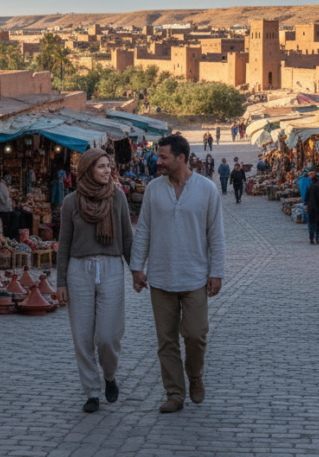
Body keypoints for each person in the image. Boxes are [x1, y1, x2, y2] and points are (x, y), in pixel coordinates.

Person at [131, 134, 226, 413]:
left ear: (181, 158)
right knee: (166, 341)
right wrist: (137, 267)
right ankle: (174, 392)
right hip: (160, 278)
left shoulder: (207, 190)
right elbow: (144, 230)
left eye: (163, 157)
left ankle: (195, 377)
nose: (157, 162)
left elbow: (216, 235)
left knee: (196, 334)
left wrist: (216, 272)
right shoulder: (153, 190)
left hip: (195, 276)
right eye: (158, 157)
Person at [57, 149, 133, 413]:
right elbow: (64, 244)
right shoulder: (70, 202)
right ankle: (91, 391)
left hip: (111, 267)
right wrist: (61, 283)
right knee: (82, 337)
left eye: (108, 166)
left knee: (108, 337)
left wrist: (137, 272)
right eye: (100, 166)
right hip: (79, 270)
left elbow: (126, 239)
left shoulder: (118, 198)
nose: (106, 171)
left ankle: (109, 376)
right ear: (88, 169)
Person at [305, 172, 319, 244]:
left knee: (311, 224)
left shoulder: (309, 188)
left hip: (311, 208)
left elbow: (306, 199)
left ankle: (311, 239)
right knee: (318, 224)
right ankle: (317, 238)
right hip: (318, 208)